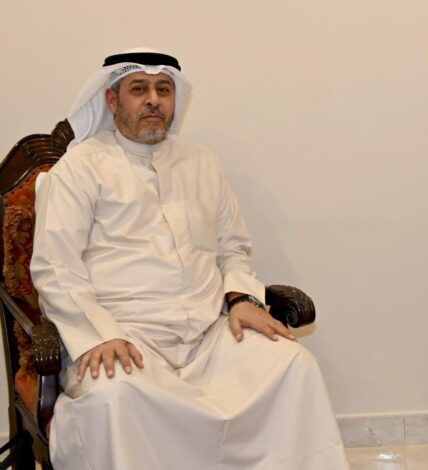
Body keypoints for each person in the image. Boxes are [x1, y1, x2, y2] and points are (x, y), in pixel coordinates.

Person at [30, 48, 349, 470]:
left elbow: (233, 247)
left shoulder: (202, 163)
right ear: (111, 100)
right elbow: (55, 266)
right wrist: (99, 336)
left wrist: (241, 299)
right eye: (139, 89)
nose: (153, 100)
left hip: (207, 334)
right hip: (124, 335)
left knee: (293, 365)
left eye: (164, 90)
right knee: (113, 397)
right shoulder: (79, 169)